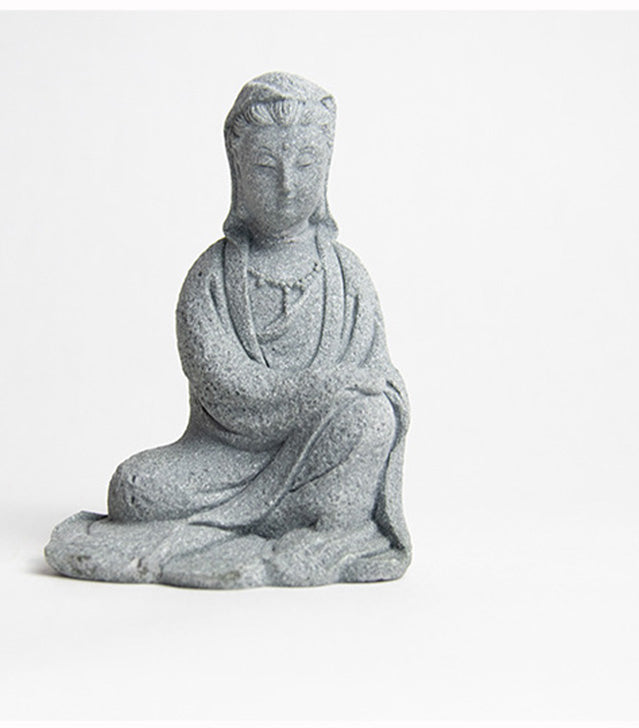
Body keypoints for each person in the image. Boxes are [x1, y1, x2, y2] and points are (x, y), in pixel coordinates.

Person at [101, 72, 411, 585]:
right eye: (267, 167)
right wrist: (322, 386)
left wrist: (358, 392)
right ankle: (305, 519)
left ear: (327, 170)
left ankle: (320, 519)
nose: (287, 184)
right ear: (237, 170)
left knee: (373, 417)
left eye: (305, 164)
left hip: (320, 451)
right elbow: (225, 389)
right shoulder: (213, 275)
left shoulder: (346, 275)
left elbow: (380, 381)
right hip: (226, 457)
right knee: (134, 487)